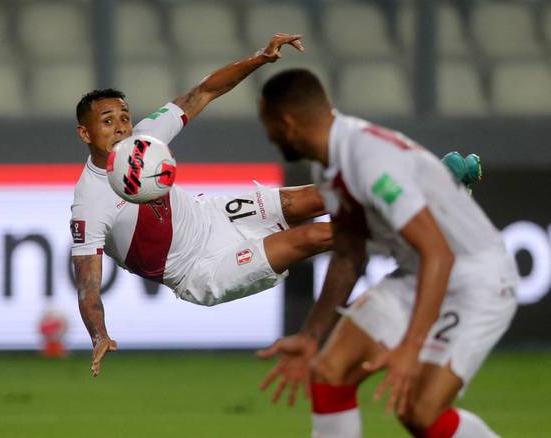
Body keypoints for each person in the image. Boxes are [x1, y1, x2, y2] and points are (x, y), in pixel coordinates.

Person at [257, 69, 517, 438]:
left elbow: (438, 254)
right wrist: (312, 335)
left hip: (476, 278)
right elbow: (348, 256)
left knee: (419, 411)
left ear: (286, 123)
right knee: (330, 372)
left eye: (266, 123)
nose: (267, 134)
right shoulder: (332, 162)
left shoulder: (368, 161)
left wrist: (411, 348)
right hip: (419, 272)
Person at [70, 34, 335, 377]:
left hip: (215, 213)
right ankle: (400, 233)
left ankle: (399, 203)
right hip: (200, 268)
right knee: (309, 238)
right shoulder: (88, 203)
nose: (121, 128)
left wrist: (260, 58)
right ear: (85, 133)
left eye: (124, 117)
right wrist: (99, 334)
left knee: (320, 196)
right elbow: (88, 286)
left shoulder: (146, 137)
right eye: (108, 121)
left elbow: (204, 91)